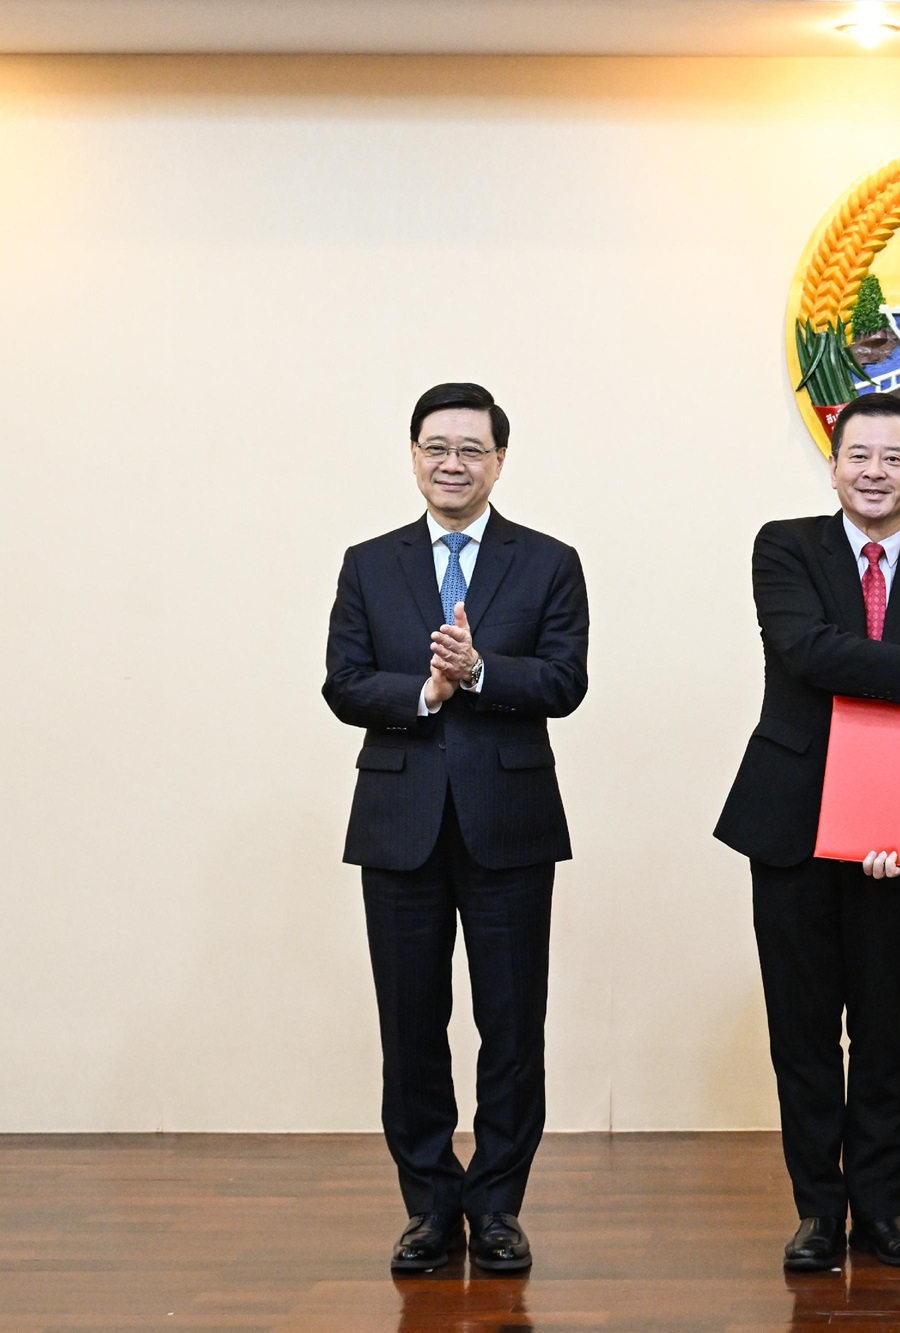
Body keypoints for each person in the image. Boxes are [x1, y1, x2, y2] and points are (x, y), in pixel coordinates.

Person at [714, 394, 900, 1273]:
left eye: (893, 458)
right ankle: (817, 1211)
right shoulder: (786, 547)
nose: (873, 471)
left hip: (891, 839)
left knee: (883, 1031)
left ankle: (883, 1209)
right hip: (792, 825)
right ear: (833, 463)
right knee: (802, 1031)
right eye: (858, 456)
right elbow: (814, 652)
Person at [323, 382, 589, 1274]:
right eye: (436, 446)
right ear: (412, 455)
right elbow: (344, 683)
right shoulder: (370, 562)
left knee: (513, 1024)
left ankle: (500, 1205)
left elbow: (564, 681)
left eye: (472, 448)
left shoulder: (549, 560)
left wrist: (477, 672)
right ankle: (431, 1205)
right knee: (411, 1024)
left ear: (500, 461)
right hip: (398, 822)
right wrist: (425, 692)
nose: (452, 462)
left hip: (509, 822)